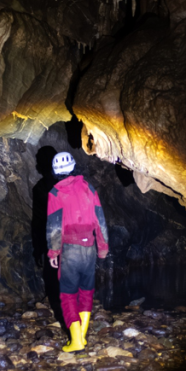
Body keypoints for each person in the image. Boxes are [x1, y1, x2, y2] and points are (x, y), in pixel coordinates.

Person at [46, 151, 109, 353]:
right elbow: (100, 220)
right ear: (74, 167)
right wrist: (103, 248)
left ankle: (76, 340)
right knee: (86, 292)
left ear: (55, 172)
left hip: (70, 250)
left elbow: (54, 226)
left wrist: (54, 252)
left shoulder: (55, 193)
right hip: (89, 249)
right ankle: (81, 336)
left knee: (68, 296)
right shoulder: (88, 188)